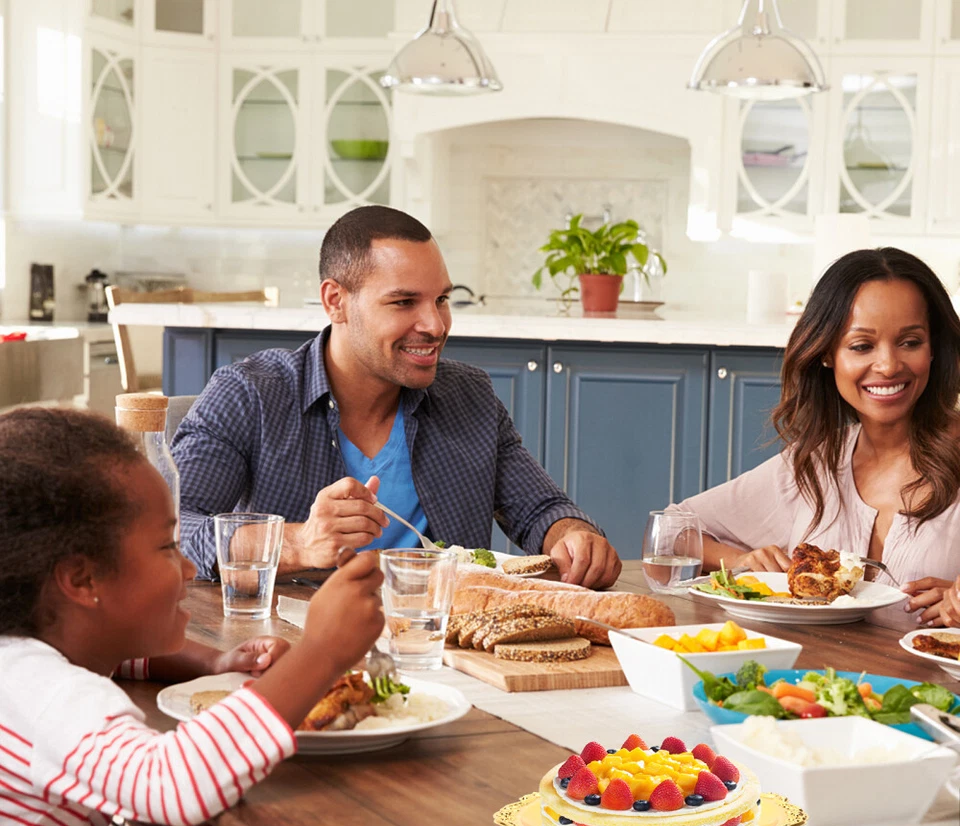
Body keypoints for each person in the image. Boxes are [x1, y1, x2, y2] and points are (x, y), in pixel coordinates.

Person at [0, 407, 384, 826]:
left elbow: (123, 660)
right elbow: (171, 784)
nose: (186, 567)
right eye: (167, 546)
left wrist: (213, 661)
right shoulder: (46, 695)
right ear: (82, 579)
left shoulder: (22, 660)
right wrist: (320, 653)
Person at [172, 205, 621, 589]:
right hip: (295, 647)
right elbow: (171, 533)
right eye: (404, 302)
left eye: (441, 299)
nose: (435, 325)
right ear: (335, 301)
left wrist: (573, 536)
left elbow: (541, 510)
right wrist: (298, 542)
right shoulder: (249, 394)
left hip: (442, 644)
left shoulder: (470, 396)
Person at [666, 247, 960, 627]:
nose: (888, 365)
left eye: (911, 342)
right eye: (861, 346)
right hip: (808, 665)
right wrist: (741, 561)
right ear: (826, 354)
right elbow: (672, 531)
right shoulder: (815, 463)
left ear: (934, 348)